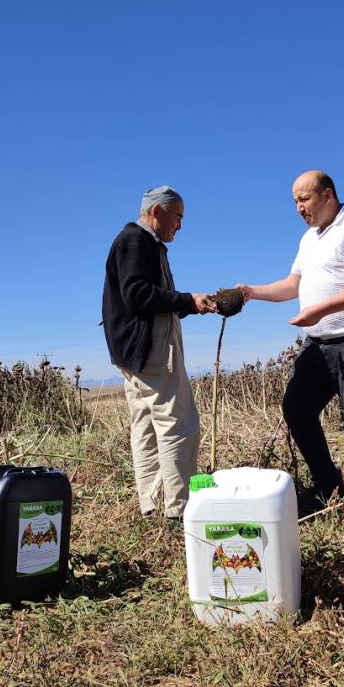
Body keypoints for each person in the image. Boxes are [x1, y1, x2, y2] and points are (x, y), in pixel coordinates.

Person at [237, 171, 344, 511]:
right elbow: (293, 285)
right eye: (294, 201)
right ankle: (329, 488)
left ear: (327, 195)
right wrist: (251, 292)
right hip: (317, 343)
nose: (298, 208)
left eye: (303, 199)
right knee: (296, 409)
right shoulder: (309, 240)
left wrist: (320, 310)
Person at [102, 186, 216, 520]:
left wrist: (192, 304)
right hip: (150, 349)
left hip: (134, 351)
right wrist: (187, 300)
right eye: (178, 217)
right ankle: (180, 510)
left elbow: (148, 297)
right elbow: (137, 294)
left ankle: (153, 504)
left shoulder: (145, 243)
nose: (180, 225)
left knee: (147, 427)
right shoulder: (135, 241)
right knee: (178, 424)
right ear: (157, 212)